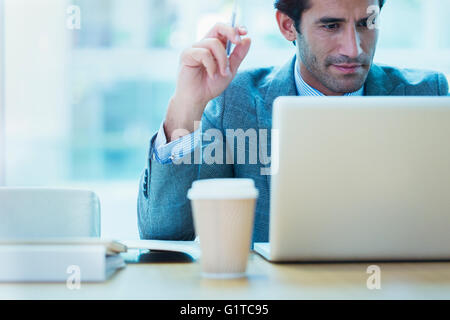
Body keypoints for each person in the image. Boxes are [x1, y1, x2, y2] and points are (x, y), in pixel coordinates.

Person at [138, 0, 449, 243]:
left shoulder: (428, 94)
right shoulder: (238, 102)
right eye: (330, 26)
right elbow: (164, 232)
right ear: (288, 26)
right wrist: (187, 106)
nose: (354, 48)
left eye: (366, 24)